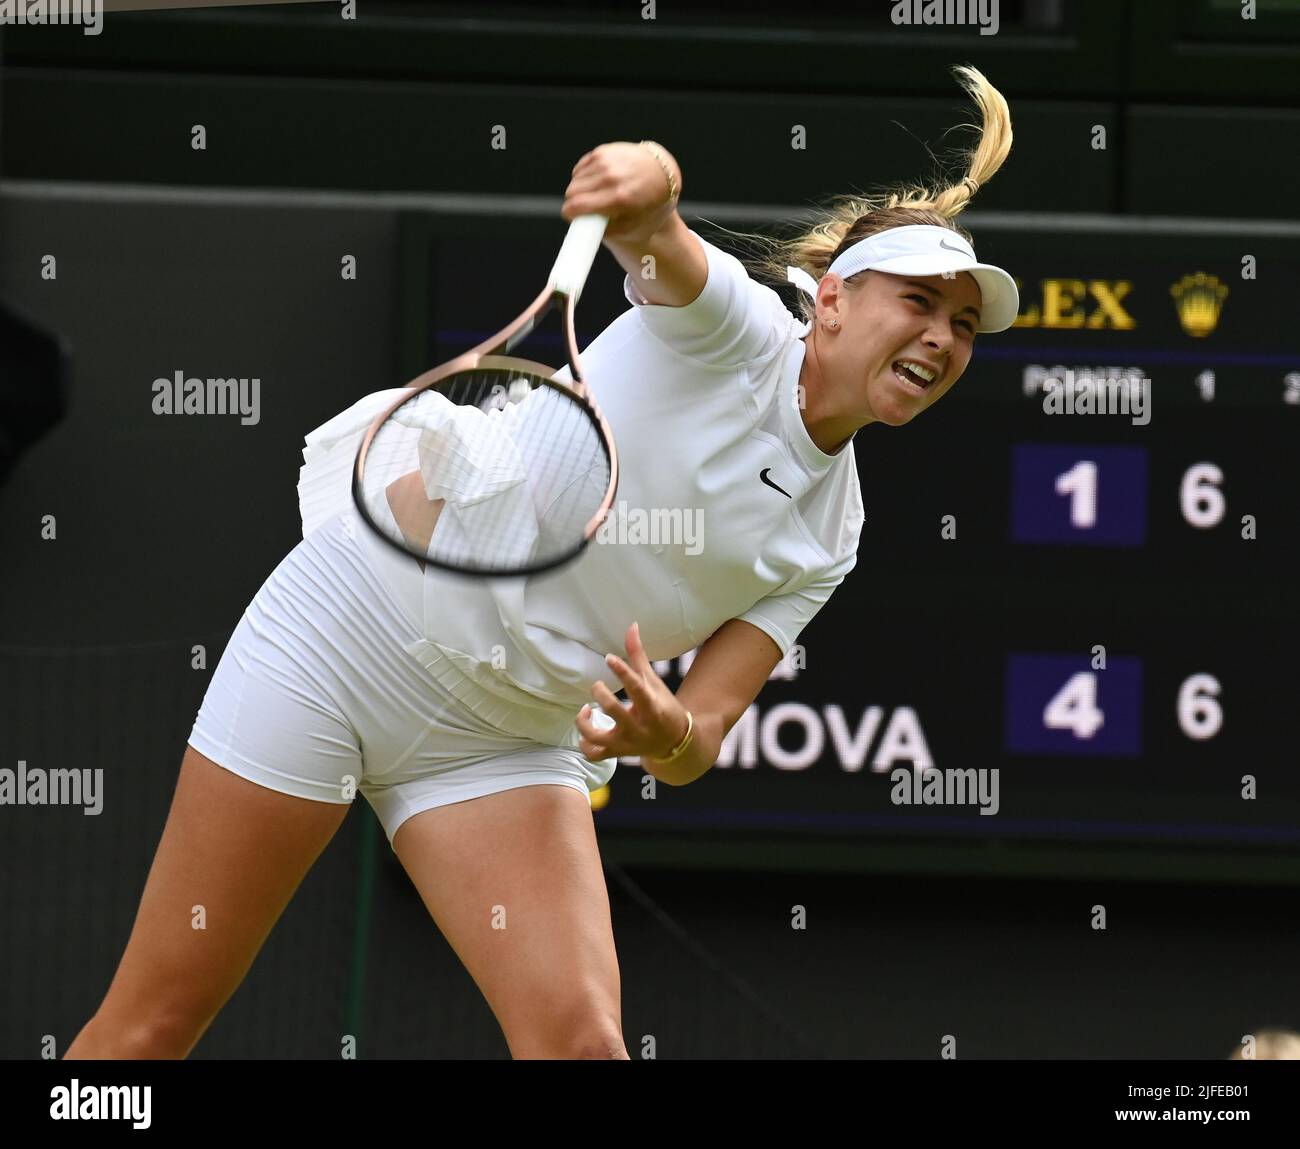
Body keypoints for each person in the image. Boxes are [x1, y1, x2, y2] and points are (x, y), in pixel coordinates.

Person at [64, 64, 1018, 1061]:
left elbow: (704, 735)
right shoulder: (734, 333)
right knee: (151, 1029)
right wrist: (646, 182)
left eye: (962, 326)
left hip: (505, 741)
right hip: (346, 640)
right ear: (829, 304)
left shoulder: (835, 533)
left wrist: (666, 730)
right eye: (919, 302)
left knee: (581, 1047)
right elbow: (658, 240)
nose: (941, 338)